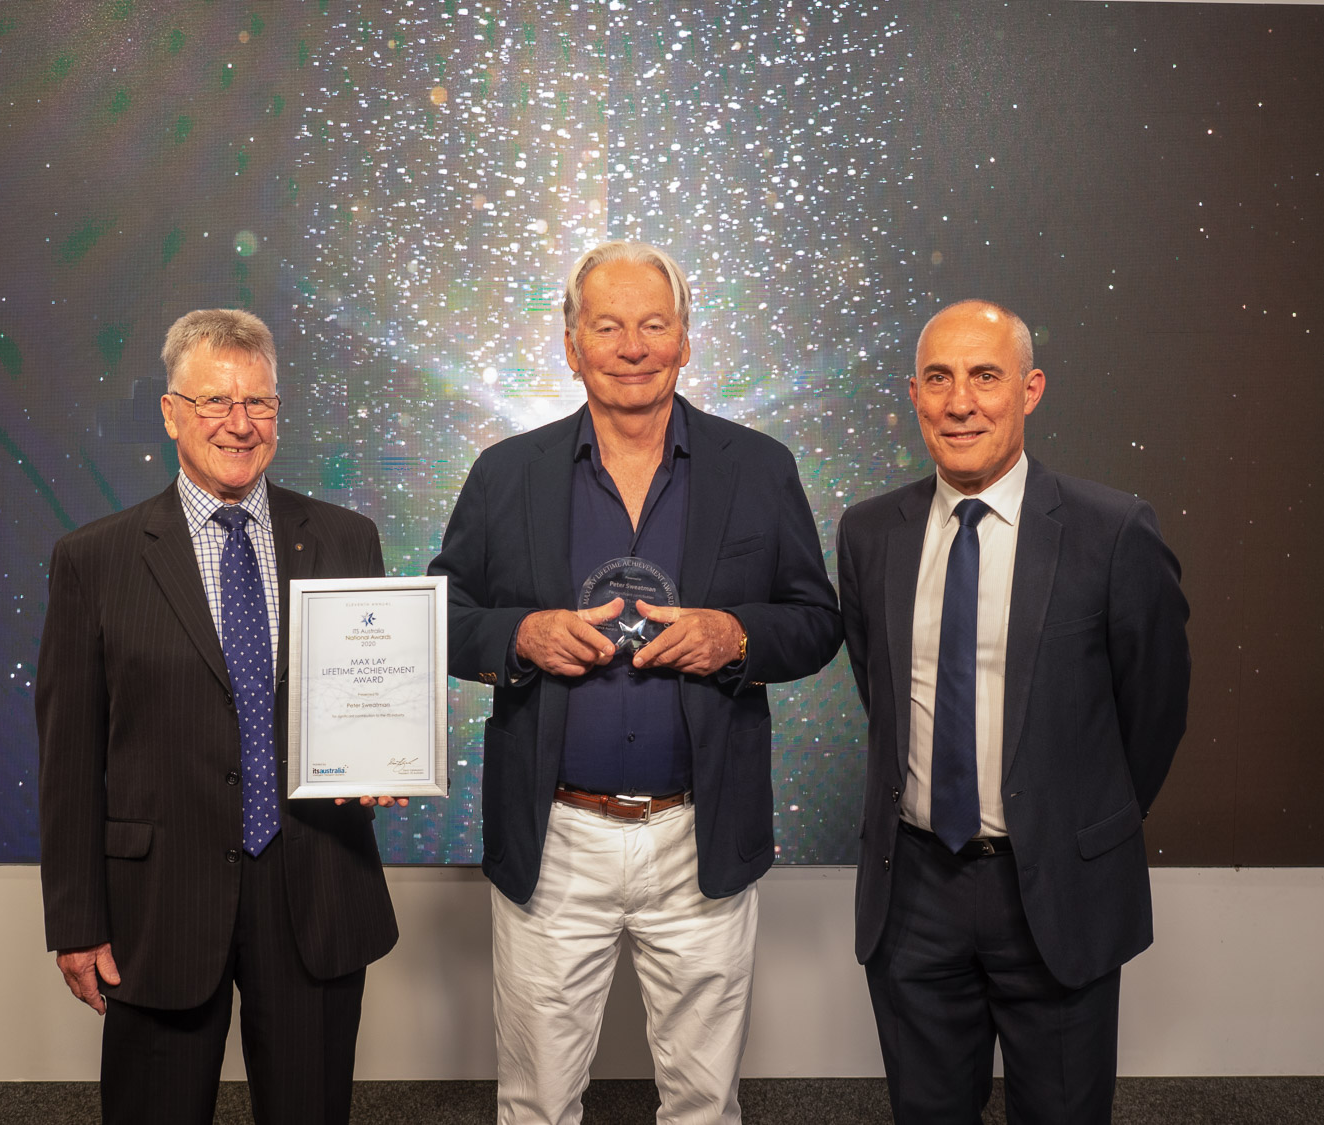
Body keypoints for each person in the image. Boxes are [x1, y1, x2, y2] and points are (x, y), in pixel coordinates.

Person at [429, 241, 841, 1123]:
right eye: (607, 326)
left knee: (703, 1101)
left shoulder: (758, 467)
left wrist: (734, 634)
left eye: (655, 325)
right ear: (570, 344)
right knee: (536, 1102)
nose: (632, 345)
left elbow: (817, 620)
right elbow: (442, 616)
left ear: (686, 341)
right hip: (556, 835)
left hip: (700, 831)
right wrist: (521, 634)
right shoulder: (506, 475)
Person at [36, 308, 401, 1125]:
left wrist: (384, 760)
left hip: (313, 886)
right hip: (159, 902)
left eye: (259, 404)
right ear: (171, 413)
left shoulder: (346, 538)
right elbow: (68, 759)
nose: (240, 424)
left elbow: (373, 689)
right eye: (215, 402)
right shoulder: (94, 560)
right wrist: (77, 920)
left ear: (278, 411)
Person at [836, 300, 1191, 1123]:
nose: (961, 402)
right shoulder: (867, 534)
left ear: (1030, 390)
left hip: (1056, 888)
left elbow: (1155, 709)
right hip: (915, 890)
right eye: (940, 378)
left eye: (985, 376)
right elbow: (880, 689)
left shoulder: (1112, 531)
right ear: (914, 394)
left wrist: (1078, 823)